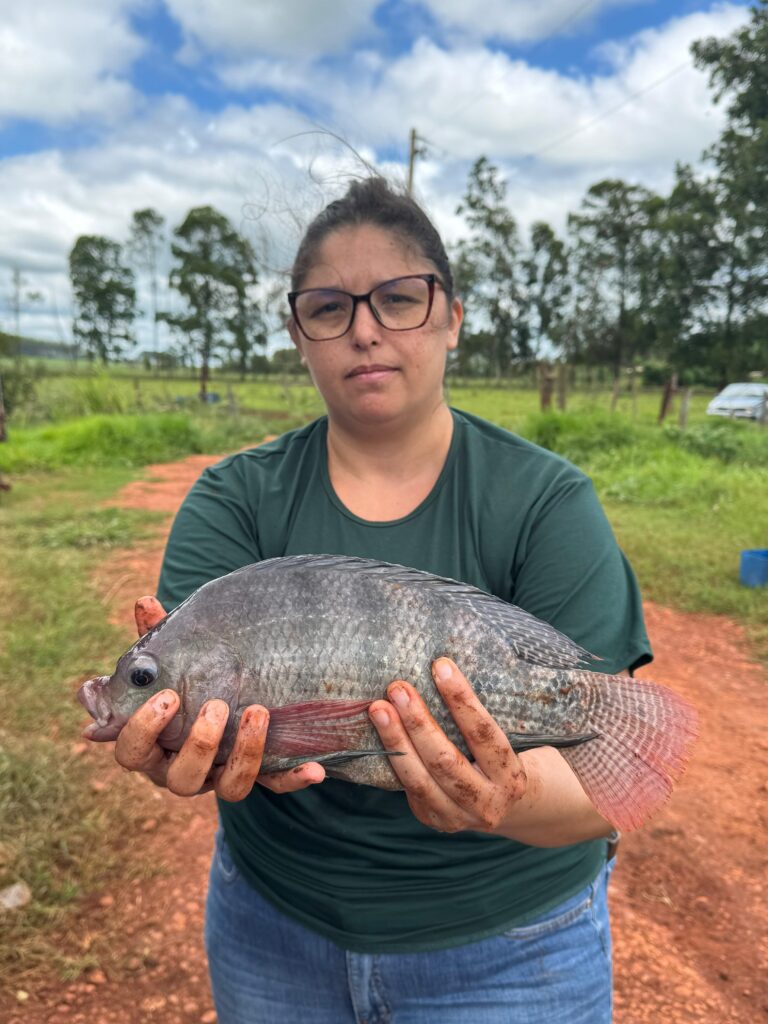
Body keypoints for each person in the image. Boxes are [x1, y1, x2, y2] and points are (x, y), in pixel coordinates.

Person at [107, 176, 651, 1023]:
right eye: (329, 308)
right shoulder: (232, 501)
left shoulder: (547, 501)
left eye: (398, 298)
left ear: (452, 316)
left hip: (513, 947)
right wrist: (170, 739)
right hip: (273, 930)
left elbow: (597, 797)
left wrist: (494, 798)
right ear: (300, 332)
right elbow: (195, 720)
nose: (364, 329)